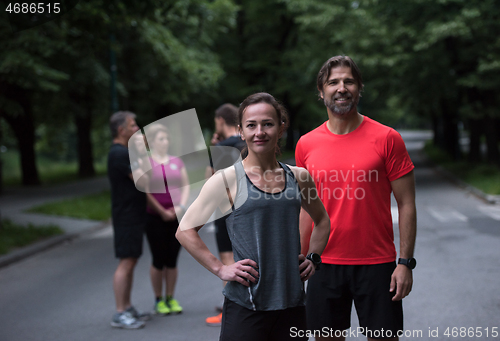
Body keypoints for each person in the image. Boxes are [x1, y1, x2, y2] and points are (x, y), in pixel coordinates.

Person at [176, 92, 331, 341]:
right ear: (241, 131)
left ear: (281, 128)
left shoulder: (299, 177)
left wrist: (313, 258)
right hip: (246, 305)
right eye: (251, 125)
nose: (260, 132)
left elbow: (322, 221)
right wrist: (220, 269)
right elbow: (184, 230)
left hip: (292, 304)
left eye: (268, 124)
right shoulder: (226, 180)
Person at [295, 55, 417, 341]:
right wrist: (298, 262)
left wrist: (405, 262)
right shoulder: (306, 144)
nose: (341, 87)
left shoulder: (388, 138)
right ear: (321, 91)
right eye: (333, 82)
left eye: (348, 81)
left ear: (359, 88)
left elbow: (407, 204)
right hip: (322, 263)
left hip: (377, 265)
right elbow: (305, 210)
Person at [107, 111, 151, 329]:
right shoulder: (119, 154)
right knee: (126, 261)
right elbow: (145, 180)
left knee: (131, 260)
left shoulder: (123, 153)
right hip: (126, 216)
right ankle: (120, 312)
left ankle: (127, 306)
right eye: (133, 126)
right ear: (121, 130)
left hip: (132, 214)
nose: (137, 129)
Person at [204, 103, 246, 326]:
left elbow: (209, 179)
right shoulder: (247, 143)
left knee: (228, 262)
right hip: (249, 206)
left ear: (220, 120)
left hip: (226, 209)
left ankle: (230, 311)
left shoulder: (222, 148)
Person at [143, 123, 190, 315]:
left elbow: (186, 184)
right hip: (154, 217)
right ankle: (158, 299)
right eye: (161, 139)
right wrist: (161, 211)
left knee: (172, 259)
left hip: (176, 216)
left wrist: (180, 206)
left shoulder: (176, 161)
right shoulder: (146, 162)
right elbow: (144, 190)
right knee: (158, 258)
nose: (165, 142)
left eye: (167, 138)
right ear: (152, 142)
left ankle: (170, 297)